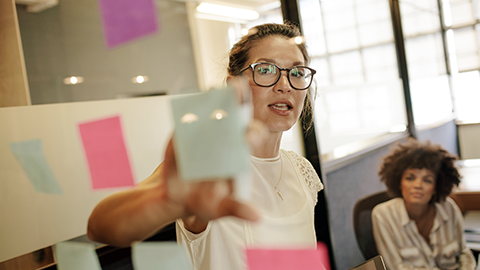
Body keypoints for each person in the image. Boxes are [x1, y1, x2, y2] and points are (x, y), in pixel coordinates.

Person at [87, 22, 324, 270]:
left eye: (296, 73)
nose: (285, 85)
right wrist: (166, 200)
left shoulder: (301, 169)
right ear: (235, 85)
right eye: (265, 69)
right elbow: (101, 226)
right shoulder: (210, 167)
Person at [372, 139, 476, 270]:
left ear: (436, 187)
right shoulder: (383, 215)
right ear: (399, 182)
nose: (417, 186)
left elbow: (463, 252)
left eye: (427, 180)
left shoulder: (448, 207)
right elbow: (396, 267)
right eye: (410, 178)